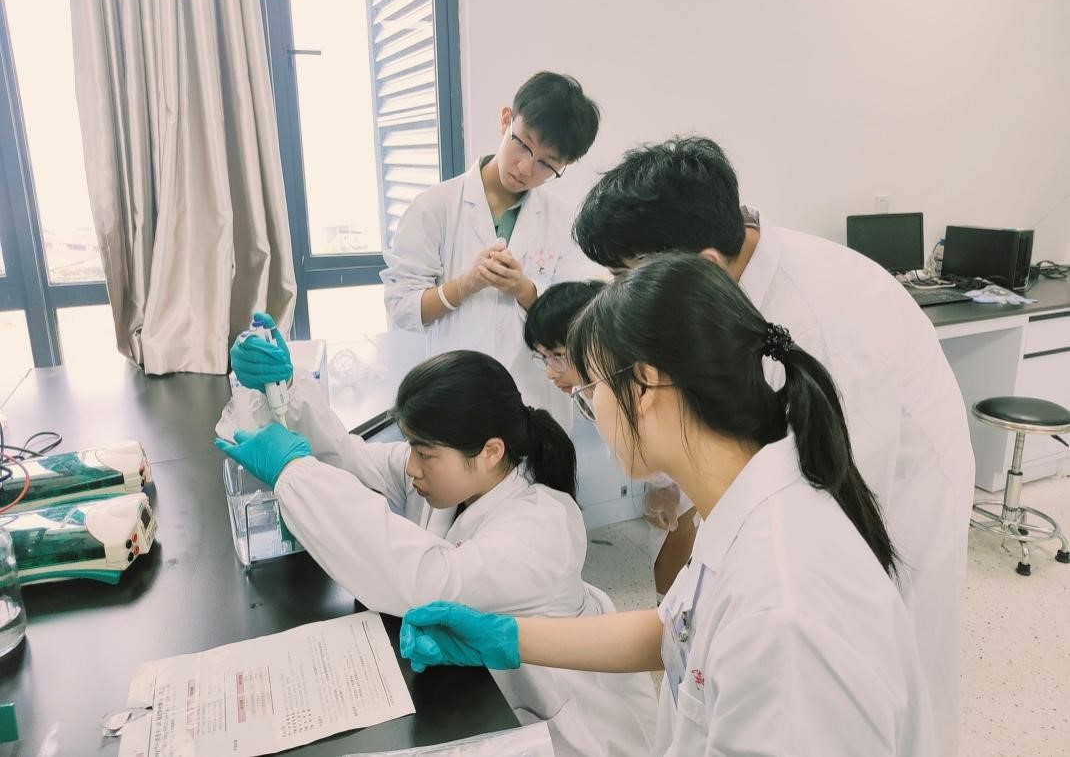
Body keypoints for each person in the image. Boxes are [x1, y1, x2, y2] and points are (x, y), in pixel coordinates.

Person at [398, 254, 937, 756]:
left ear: (645, 387)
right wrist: (504, 637)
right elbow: (675, 630)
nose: (592, 411)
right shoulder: (747, 503)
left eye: (590, 392)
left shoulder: (782, 614)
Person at [571, 137, 974, 756]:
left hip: (890, 503)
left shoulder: (826, 331)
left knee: (863, 685)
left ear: (705, 264)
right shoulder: (730, 282)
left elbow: (834, 521)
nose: (622, 295)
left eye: (630, 275)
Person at [217, 322, 657, 757]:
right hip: (484, 695)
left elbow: (427, 581)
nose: (411, 465)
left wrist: (294, 472)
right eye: (411, 446)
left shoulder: (543, 528)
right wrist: (287, 390)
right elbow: (349, 459)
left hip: (562, 724)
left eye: (424, 453)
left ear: (491, 452)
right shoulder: (451, 474)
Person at [380, 71, 603, 423]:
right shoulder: (433, 208)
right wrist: (464, 285)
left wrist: (524, 290)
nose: (525, 167)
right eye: (522, 144)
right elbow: (402, 308)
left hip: (536, 408)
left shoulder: (564, 223)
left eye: (546, 163)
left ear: (566, 164)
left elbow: (581, 319)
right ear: (506, 120)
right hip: (456, 402)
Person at [524, 280, 694, 596]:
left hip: (694, 481)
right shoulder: (590, 391)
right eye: (543, 357)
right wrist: (663, 487)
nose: (549, 372)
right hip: (673, 481)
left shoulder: (640, 391)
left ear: (596, 340)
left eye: (558, 355)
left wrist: (670, 489)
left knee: (676, 567)